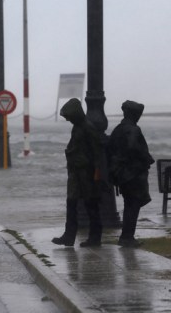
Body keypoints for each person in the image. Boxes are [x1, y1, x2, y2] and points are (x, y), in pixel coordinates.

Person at [52, 98, 103, 247]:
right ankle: (69, 236)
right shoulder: (77, 127)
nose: (68, 119)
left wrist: (97, 171)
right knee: (71, 202)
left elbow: (97, 151)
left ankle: (95, 237)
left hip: (87, 172)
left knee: (91, 204)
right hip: (75, 172)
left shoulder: (88, 127)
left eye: (69, 116)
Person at [107, 100, 154, 248]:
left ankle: (126, 236)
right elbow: (133, 147)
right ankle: (127, 237)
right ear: (134, 114)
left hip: (122, 175)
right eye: (138, 114)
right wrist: (146, 159)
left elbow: (109, 150)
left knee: (130, 205)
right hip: (132, 174)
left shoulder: (118, 129)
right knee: (133, 205)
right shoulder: (133, 129)